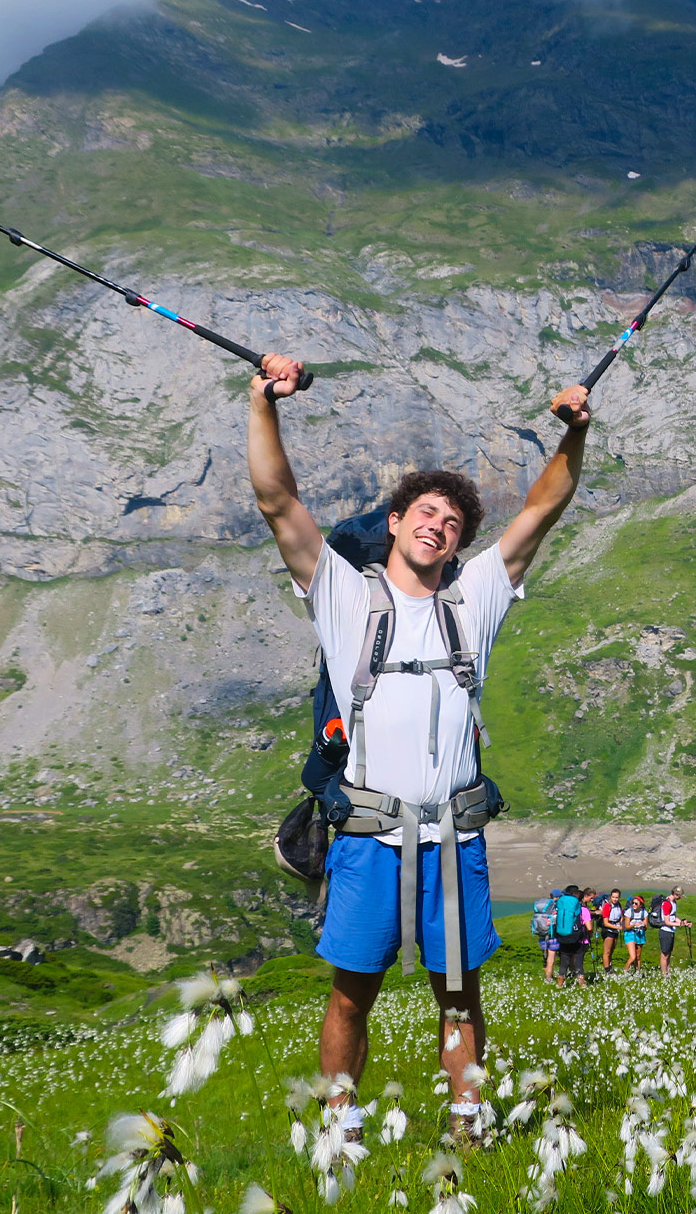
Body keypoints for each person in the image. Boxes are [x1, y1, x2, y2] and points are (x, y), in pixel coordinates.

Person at [247, 351, 592, 1139]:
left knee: (460, 992)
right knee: (350, 993)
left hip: (454, 833)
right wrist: (263, 399)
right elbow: (276, 499)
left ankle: (467, 1119)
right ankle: (340, 1122)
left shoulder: (475, 600)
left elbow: (543, 509)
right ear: (396, 523)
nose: (441, 525)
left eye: (455, 522)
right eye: (427, 514)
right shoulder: (342, 594)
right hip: (370, 835)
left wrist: (574, 435)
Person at [552, 884, 588, 987]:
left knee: (564, 963)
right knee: (578, 964)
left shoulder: (561, 901)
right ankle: (582, 986)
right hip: (575, 937)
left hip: (562, 936)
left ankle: (559, 986)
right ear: (575, 894)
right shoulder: (576, 903)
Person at [656, 887, 685, 973]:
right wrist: (679, 924)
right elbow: (667, 921)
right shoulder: (667, 904)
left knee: (668, 953)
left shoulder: (674, 903)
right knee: (665, 954)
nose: (680, 898)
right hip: (665, 931)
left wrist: (683, 922)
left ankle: (667, 972)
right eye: (679, 896)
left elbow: (673, 916)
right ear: (675, 894)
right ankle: (664, 974)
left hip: (671, 931)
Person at [621, 894, 648, 972]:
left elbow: (646, 927)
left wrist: (643, 926)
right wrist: (634, 925)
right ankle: (625, 971)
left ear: (641, 905)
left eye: (636, 903)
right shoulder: (629, 912)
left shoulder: (644, 913)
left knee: (638, 956)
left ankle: (638, 972)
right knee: (633, 956)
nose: (634, 905)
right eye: (633, 903)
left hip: (640, 934)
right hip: (630, 933)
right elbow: (626, 926)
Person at [599, 889, 624, 970]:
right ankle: (607, 970)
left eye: (616, 897)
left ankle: (610, 966)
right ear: (611, 897)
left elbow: (621, 916)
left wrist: (620, 922)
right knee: (607, 951)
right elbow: (605, 923)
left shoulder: (619, 905)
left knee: (612, 950)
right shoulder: (607, 906)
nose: (615, 899)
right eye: (613, 897)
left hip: (615, 929)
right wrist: (618, 927)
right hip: (608, 930)